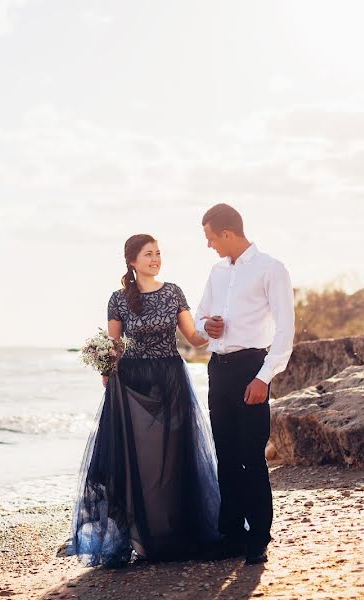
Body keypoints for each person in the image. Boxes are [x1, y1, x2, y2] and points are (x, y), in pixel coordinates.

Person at [68, 234, 221, 568]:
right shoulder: (118, 299)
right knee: (138, 459)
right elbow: (114, 344)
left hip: (170, 379)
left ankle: (175, 532)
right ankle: (141, 537)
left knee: (175, 455)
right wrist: (106, 372)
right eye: (148, 254)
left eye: (158, 253)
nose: (155, 258)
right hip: (132, 385)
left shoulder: (173, 291)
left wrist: (212, 330)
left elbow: (192, 337)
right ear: (132, 261)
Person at [195, 203, 295, 565]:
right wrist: (209, 327)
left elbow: (285, 330)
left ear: (227, 233)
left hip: (251, 368)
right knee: (226, 456)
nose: (209, 246)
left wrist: (263, 377)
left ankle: (259, 537)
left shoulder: (272, 269)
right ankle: (233, 535)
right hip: (218, 370)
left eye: (210, 238)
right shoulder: (216, 272)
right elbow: (200, 317)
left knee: (251, 457)